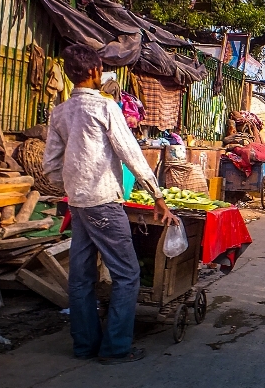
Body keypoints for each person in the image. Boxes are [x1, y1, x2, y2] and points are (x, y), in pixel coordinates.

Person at [43, 44, 179, 364]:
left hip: (78, 204)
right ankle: (116, 347)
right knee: (128, 274)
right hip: (103, 203)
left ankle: (84, 345)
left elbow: (50, 166)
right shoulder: (105, 108)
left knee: (80, 278)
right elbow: (130, 153)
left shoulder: (60, 112)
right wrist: (157, 194)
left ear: (68, 73)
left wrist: (73, 186)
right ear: (94, 72)